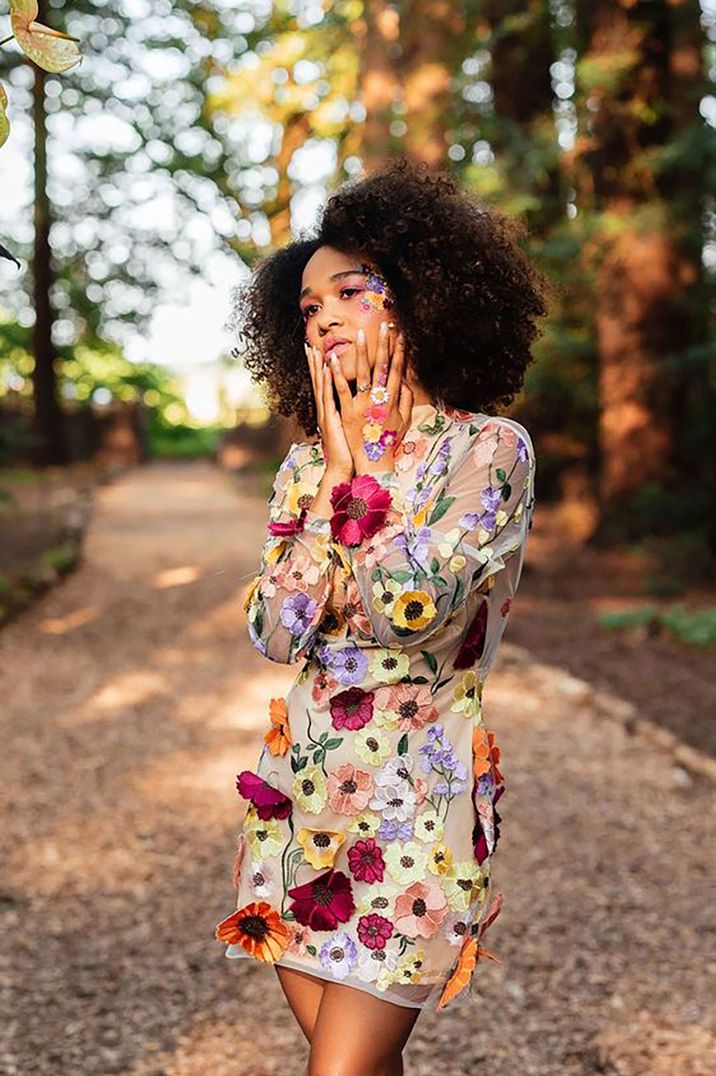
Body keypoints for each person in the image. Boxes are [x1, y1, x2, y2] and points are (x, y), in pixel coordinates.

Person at [215, 156, 547, 1075]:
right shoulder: (302, 467)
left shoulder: (489, 451)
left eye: (350, 291)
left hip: (416, 808)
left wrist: (360, 477)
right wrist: (331, 472)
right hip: (298, 805)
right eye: (309, 307)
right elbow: (276, 630)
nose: (322, 319)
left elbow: (413, 610)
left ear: (417, 298)